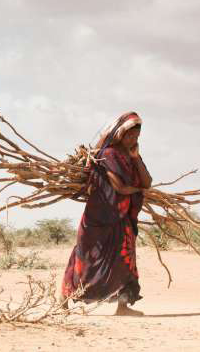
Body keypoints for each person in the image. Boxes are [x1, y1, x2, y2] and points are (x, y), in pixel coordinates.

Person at [61, 112, 152, 316]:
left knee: (126, 260)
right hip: (99, 217)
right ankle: (64, 299)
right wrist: (137, 191)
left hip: (122, 218)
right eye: (130, 136)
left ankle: (123, 306)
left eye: (136, 137)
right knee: (85, 259)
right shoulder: (108, 154)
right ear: (119, 133)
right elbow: (119, 187)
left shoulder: (131, 155)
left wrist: (136, 158)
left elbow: (148, 182)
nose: (133, 140)